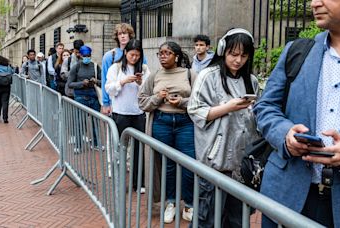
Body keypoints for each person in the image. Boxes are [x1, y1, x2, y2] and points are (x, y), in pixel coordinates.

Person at [253, 0, 340, 227]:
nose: (314, 3)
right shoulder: (298, 51)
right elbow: (265, 107)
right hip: (286, 198)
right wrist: (285, 135)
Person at [187, 28, 259, 227]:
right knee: (207, 219)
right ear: (222, 51)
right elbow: (194, 110)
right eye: (233, 54)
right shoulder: (208, 76)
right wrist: (228, 107)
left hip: (242, 163)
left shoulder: (251, 81)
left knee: (237, 220)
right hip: (215, 162)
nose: (238, 60)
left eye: (244, 56)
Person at [138, 41, 197, 223]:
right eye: (160, 53)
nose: (163, 56)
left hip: (185, 123)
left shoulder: (190, 73)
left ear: (176, 56)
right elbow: (141, 101)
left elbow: (199, 100)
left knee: (189, 164)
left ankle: (189, 203)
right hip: (161, 122)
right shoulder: (154, 75)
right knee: (167, 165)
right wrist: (157, 98)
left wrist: (181, 102)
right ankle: (170, 203)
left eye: (167, 53)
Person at [106, 39, 150, 193]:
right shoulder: (115, 68)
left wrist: (140, 83)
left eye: (137, 55)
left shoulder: (144, 69)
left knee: (139, 149)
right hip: (120, 113)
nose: (134, 58)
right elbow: (109, 89)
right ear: (125, 53)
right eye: (132, 55)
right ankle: (119, 181)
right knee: (119, 147)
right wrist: (122, 82)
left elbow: (148, 90)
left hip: (138, 113)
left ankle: (138, 183)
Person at [101, 23, 135, 116]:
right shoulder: (109, 56)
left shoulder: (138, 55)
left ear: (130, 35)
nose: (123, 36)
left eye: (125, 33)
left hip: (134, 104)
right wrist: (106, 103)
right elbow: (104, 80)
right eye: (120, 34)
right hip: (115, 102)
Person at [67, 45, 101, 112]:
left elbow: (104, 82)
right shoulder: (76, 67)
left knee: (95, 120)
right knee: (81, 121)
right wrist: (82, 83)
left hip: (93, 97)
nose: (87, 57)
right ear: (80, 55)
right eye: (85, 56)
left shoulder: (95, 66)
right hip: (80, 96)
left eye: (88, 56)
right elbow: (70, 84)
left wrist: (96, 81)